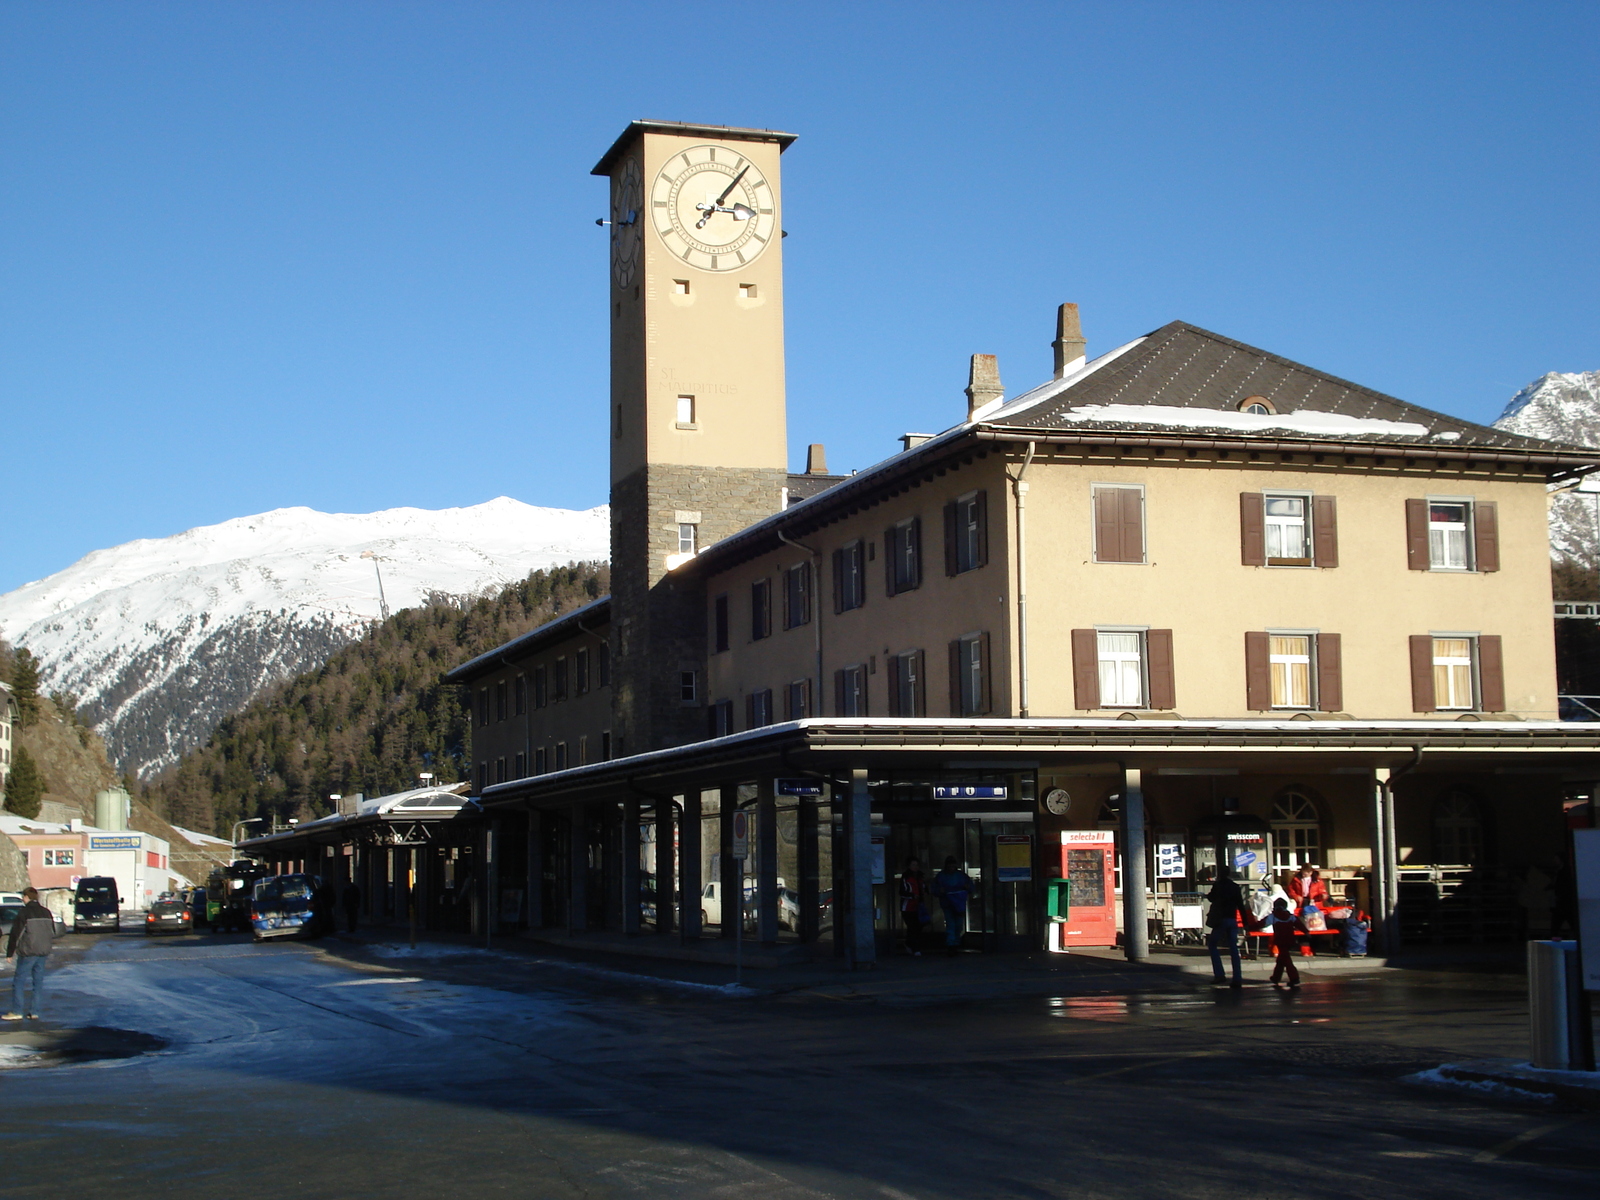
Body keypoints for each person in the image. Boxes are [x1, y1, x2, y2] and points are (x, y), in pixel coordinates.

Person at [4, 887, 56, 1021]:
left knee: (19, 981)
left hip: (28, 952)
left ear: (27, 897)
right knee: (37, 982)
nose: (22, 899)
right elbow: (53, 931)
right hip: (43, 951)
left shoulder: (24, 913)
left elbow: (16, 933)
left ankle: (17, 1011)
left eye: (23, 897)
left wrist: (10, 953)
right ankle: (34, 1011)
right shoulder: (46, 912)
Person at [1205, 865, 1251, 986]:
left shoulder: (1218, 885)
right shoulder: (1235, 887)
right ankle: (1237, 977)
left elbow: (1211, 898)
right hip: (1232, 919)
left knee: (1212, 944)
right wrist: (1245, 923)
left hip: (1220, 919)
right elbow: (1240, 905)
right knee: (1234, 948)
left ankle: (1219, 974)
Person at [931, 856, 973, 956]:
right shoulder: (959, 876)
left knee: (956, 925)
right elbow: (934, 889)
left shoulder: (945, 876)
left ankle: (953, 944)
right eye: (949, 865)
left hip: (952, 903)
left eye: (952, 865)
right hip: (953, 904)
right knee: (953, 924)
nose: (951, 867)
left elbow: (934, 889)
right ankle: (953, 944)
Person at [1265, 898, 1307, 989]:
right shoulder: (1290, 916)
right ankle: (1275, 978)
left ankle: (1294, 978)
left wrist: (1250, 928)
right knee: (1282, 959)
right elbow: (1299, 924)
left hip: (1280, 940)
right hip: (1290, 940)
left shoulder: (1273, 916)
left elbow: (1262, 923)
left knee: (1286, 961)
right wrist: (1306, 932)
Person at [898, 858, 928, 956]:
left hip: (918, 906)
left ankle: (910, 943)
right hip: (908, 907)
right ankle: (915, 948)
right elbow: (901, 892)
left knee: (918, 926)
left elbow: (924, 888)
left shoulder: (920, 877)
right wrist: (911, 896)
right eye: (913, 865)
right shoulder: (906, 877)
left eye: (917, 865)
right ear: (909, 866)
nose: (915, 867)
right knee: (913, 927)